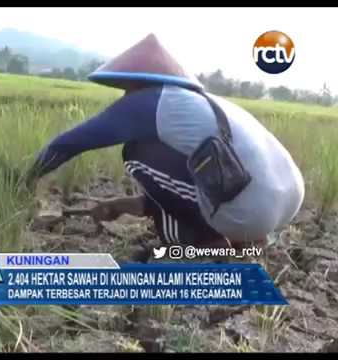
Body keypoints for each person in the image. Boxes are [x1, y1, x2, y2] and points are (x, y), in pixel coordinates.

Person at [26, 34, 305, 250]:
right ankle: (248, 238)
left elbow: (69, 144)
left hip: (252, 210)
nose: (124, 97)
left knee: (135, 153)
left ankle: (203, 241)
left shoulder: (147, 102)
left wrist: (24, 180)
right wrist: (122, 205)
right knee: (167, 158)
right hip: (287, 201)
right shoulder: (197, 105)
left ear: (137, 84)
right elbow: (183, 184)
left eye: (126, 90)